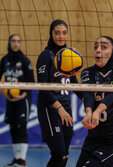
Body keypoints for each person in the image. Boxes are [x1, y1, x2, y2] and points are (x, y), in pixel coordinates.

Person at [76, 36, 113, 167]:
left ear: (112, 52)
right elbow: (88, 93)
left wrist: (97, 112)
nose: (98, 50)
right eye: (96, 47)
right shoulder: (88, 72)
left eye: (104, 47)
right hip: (94, 138)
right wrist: (88, 111)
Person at [36, 19, 83, 167]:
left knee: (65, 155)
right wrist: (59, 109)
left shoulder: (68, 55)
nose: (61, 36)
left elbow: (74, 85)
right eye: (57, 33)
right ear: (51, 34)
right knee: (59, 153)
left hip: (66, 108)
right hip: (50, 108)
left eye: (64, 33)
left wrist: (91, 102)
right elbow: (43, 88)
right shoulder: (45, 56)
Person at [0, 34, 35, 167]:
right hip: (10, 100)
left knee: (21, 127)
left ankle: (22, 160)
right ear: (9, 43)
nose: (16, 43)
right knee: (12, 128)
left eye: (18, 41)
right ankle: (16, 158)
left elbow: (32, 83)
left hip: (23, 100)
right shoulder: (5, 60)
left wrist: (23, 95)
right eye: (13, 41)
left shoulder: (25, 61)